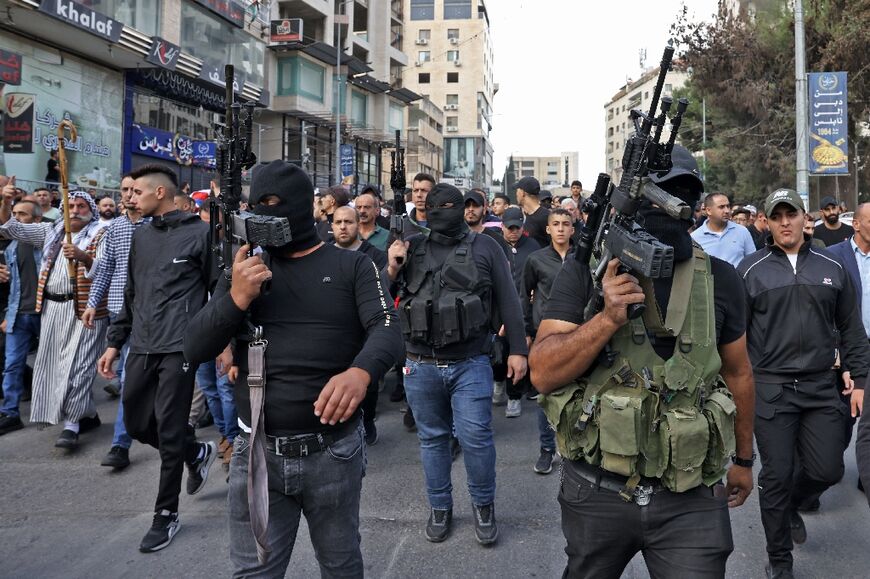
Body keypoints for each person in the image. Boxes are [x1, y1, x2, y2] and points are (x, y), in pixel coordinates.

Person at [529, 146, 755, 579]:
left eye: (679, 196)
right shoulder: (587, 269)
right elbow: (543, 371)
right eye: (654, 195)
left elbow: (738, 372)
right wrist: (607, 318)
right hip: (598, 488)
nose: (665, 207)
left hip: (691, 495)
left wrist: (744, 461)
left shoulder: (722, 277)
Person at [184, 160, 403, 577]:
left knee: (340, 565)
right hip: (258, 456)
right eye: (255, 205)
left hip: (333, 452)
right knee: (254, 571)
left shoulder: (352, 266)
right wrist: (236, 298)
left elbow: (388, 326)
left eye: (272, 204)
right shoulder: (243, 270)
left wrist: (360, 373)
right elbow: (194, 346)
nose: (261, 214)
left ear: (303, 208)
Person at [387, 183, 529, 546]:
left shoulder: (487, 247)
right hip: (419, 364)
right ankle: (440, 508)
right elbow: (382, 298)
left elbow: (509, 300)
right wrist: (392, 266)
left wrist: (518, 350)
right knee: (432, 441)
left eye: (451, 205)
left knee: (476, 439)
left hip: (470, 362)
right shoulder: (411, 247)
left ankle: (484, 506)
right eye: (435, 205)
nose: (443, 211)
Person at [737, 188, 868, 579]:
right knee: (775, 475)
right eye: (776, 216)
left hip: (821, 385)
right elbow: (735, 337)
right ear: (767, 221)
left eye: (790, 214)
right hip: (772, 389)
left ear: (803, 218)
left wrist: (859, 378)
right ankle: (779, 561)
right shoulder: (750, 268)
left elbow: (851, 328)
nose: (784, 222)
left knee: (827, 469)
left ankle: (792, 502)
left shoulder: (832, 265)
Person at [97, 164, 217, 553]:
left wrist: (223, 343)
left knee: (167, 427)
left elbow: (221, 293)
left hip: (181, 347)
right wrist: (115, 341)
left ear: (160, 194)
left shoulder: (201, 234)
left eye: (138, 192)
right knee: (135, 422)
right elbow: (132, 294)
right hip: (142, 344)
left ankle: (165, 514)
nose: (130, 197)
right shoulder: (141, 236)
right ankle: (194, 450)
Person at [0, 185, 110, 448]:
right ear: (63, 210)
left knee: (80, 367)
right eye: (70, 207)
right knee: (53, 365)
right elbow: (11, 228)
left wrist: (83, 257)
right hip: (52, 309)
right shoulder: (52, 231)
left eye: (81, 207)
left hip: (87, 310)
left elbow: (105, 269)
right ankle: (89, 415)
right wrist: (5, 201)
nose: (75, 211)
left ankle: (71, 425)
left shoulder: (101, 233)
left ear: (90, 210)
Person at [82, 175, 150, 470]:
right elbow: (106, 269)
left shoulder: (156, 228)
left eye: (135, 190)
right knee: (126, 379)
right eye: (125, 190)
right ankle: (122, 442)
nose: (129, 196)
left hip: (149, 316)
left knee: (136, 381)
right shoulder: (115, 229)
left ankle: (126, 442)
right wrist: (92, 303)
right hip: (117, 315)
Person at [520, 209, 574, 474]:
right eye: (556, 224)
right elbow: (524, 295)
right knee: (545, 393)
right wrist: (526, 332)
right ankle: (546, 449)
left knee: (578, 392)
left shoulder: (583, 258)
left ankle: (574, 449)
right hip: (545, 335)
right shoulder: (536, 259)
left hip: (578, 333)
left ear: (573, 229)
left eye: (566, 224)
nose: (561, 228)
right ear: (548, 229)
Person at [332, 205, 389, 445]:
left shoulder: (373, 255)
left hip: (366, 326)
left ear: (359, 226)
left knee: (367, 378)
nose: (343, 227)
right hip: (335, 328)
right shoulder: (324, 254)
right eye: (338, 222)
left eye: (348, 222)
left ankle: (367, 421)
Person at [0, 200, 42, 435]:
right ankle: (10, 413)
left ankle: (66, 409)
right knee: (12, 366)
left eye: (22, 214)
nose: (16, 218)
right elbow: (11, 286)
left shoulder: (46, 245)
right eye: (13, 213)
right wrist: (7, 314)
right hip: (18, 315)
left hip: (44, 314)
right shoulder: (11, 248)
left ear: (37, 220)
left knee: (52, 364)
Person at [494, 206, 539, 414]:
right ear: (502, 226)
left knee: (518, 352)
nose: (513, 231)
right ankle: (498, 381)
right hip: (497, 310)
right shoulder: (493, 245)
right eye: (509, 227)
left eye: (517, 227)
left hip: (523, 310)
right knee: (497, 353)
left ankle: (514, 396)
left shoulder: (532, 247)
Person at [691, 192, 757, 267]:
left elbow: (753, 262)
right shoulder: (695, 238)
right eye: (721, 207)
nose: (727, 211)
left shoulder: (742, 232)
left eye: (728, 206)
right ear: (709, 210)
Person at [514, 176, 550, 248]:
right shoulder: (522, 215)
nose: (516, 194)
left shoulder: (546, 217)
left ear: (522, 192)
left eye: (517, 190)